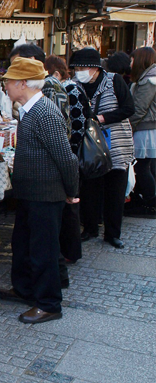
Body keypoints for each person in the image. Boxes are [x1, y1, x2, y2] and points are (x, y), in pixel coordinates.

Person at [0, 58, 79, 324]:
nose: (5, 86)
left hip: (46, 194)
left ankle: (49, 303)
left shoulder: (45, 111)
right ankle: (25, 290)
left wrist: (71, 191)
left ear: (22, 83)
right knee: (22, 245)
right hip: (30, 193)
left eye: (8, 81)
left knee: (43, 250)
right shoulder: (29, 109)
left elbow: (66, 158)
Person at [70, 47, 135, 249]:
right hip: (90, 147)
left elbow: (129, 109)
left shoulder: (114, 81)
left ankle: (112, 234)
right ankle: (90, 228)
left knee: (115, 192)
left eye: (83, 67)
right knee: (90, 189)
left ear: (95, 68)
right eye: (76, 67)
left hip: (116, 144)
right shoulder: (75, 85)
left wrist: (102, 118)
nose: (79, 71)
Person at [44, 55, 90, 278]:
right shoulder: (66, 88)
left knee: (69, 207)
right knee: (67, 208)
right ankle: (69, 253)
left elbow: (77, 123)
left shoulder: (66, 89)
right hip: (69, 152)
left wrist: (71, 149)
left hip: (69, 153)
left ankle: (70, 252)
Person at [126, 46, 156, 218]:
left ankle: (150, 203)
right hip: (149, 128)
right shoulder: (149, 77)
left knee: (143, 167)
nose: (130, 63)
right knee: (147, 167)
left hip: (145, 129)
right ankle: (148, 201)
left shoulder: (148, 80)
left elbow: (139, 108)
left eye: (132, 59)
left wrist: (129, 128)